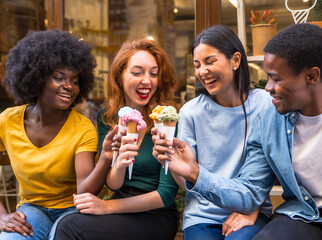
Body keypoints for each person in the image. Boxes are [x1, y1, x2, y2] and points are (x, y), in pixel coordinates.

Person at [154, 23, 322, 239]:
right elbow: (251, 191)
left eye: (276, 79)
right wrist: (193, 172)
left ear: (311, 76)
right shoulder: (270, 120)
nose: (268, 87)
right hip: (306, 215)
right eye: (268, 77)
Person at [153, 25, 272, 240]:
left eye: (210, 61)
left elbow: (272, 168)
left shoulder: (265, 104)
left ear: (235, 60)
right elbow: (189, 182)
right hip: (202, 216)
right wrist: (171, 163)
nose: (202, 72)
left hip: (251, 210)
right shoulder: (191, 112)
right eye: (197, 65)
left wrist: (253, 209)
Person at [52, 39, 179, 240]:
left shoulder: (166, 121)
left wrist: (107, 206)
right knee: (66, 222)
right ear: (120, 77)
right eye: (137, 73)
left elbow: (166, 195)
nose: (147, 80)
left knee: (70, 227)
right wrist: (118, 163)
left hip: (156, 216)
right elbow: (114, 185)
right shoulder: (108, 119)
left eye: (153, 74)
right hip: (121, 208)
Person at [0, 30, 117, 240]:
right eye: (58, 78)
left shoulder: (82, 128)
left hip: (74, 210)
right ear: (36, 77)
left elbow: (84, 191)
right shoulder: (8, 121)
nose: (69, 87)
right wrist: (1, 216)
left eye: (75, 80)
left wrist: (107, 156)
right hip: (33, 209)